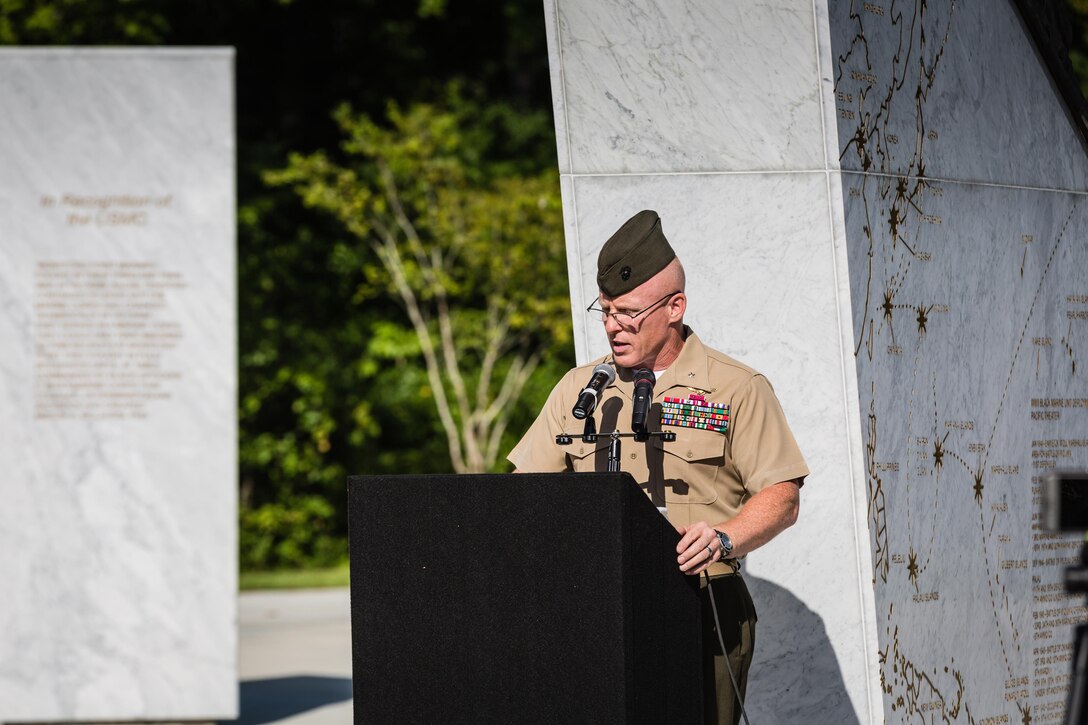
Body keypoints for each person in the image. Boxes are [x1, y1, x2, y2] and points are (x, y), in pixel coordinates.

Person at [507, 209, 809, 725]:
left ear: (675, 307)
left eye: (627, 313)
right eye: (603, 312)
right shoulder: (578, 389)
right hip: (595, 605)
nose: (612, 327)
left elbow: (782, 496)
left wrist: (724, 537)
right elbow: (522, 493)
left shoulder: (736, 387)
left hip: (703, 603)